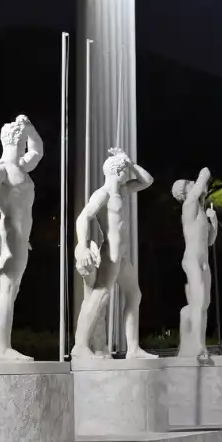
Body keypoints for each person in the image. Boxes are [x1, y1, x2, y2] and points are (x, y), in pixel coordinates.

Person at [72, 147, 156, 360]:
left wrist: (130, 163)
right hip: (111, 254)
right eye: (124, 172)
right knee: (99, 296)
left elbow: (147, 180)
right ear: (117, 173)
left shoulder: (122, 191)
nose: (126, 176)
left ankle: (134, 349)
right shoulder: (103, 194)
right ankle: (80, 347)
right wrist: (82, 245)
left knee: (134, 295)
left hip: (122, 256)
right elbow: (83, 217)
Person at [0, 115, 43, 360]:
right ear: (19, 140)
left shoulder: (22, 167)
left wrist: (30, 126)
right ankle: (2, 349)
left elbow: (39, 151)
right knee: (8, 287)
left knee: (12, 290)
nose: (28, 143)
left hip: (21, 237)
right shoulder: (0, 169)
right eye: (25, 138)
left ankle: (3, 345)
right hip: (9, 235)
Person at [172, 168, 218, 359]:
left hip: (203, 259)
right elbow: (204, 175)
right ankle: (199, 346)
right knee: (199, 301)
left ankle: (195, 335)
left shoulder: (199, 210)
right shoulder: (189, 205)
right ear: (184, 193)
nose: (194, 184)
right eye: (190, 184)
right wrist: (203, 174)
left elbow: (209, 241)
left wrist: (213, 222)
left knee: (204, 303)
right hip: (191, 259)